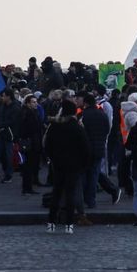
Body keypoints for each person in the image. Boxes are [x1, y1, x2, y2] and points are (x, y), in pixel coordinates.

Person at [43, 99, 89, 234]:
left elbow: (47, 146)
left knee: (56, 193)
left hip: (58, 165)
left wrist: (52, 159)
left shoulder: (54, 127)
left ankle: (51, 223)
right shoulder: (78, 128)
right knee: (70, 194)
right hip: (74, 166)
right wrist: (82, 165)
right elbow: (85, 149)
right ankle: (69, 224)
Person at [81, 93, 122, 209]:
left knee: (89, 174)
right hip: (99, 147)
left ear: (85, 103)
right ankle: (94, 198)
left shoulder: (84, 115)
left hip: (87, 148)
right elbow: (107, 128)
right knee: (95, 173)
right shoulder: (102, 114)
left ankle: (89, 199)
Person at [0, 88, 20, 183]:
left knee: (9, 156)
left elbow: (13, 121)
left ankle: (8, 175)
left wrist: (0, 125)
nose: (2, 98)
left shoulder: (15, 107)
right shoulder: (3, 106)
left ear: (8, 96)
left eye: (3, 96)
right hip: (1, 133)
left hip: (10, 135)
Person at [19, 94, 43, 195]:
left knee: (29, 165)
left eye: (36, 102)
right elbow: (31, 128)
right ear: (28, 103)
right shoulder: (28, 113)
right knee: (28, 166)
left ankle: (28, 187)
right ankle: (27, 188)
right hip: (30, 142)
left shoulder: (31, 112)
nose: (36, 104)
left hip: (32, 141)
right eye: (33, 102)